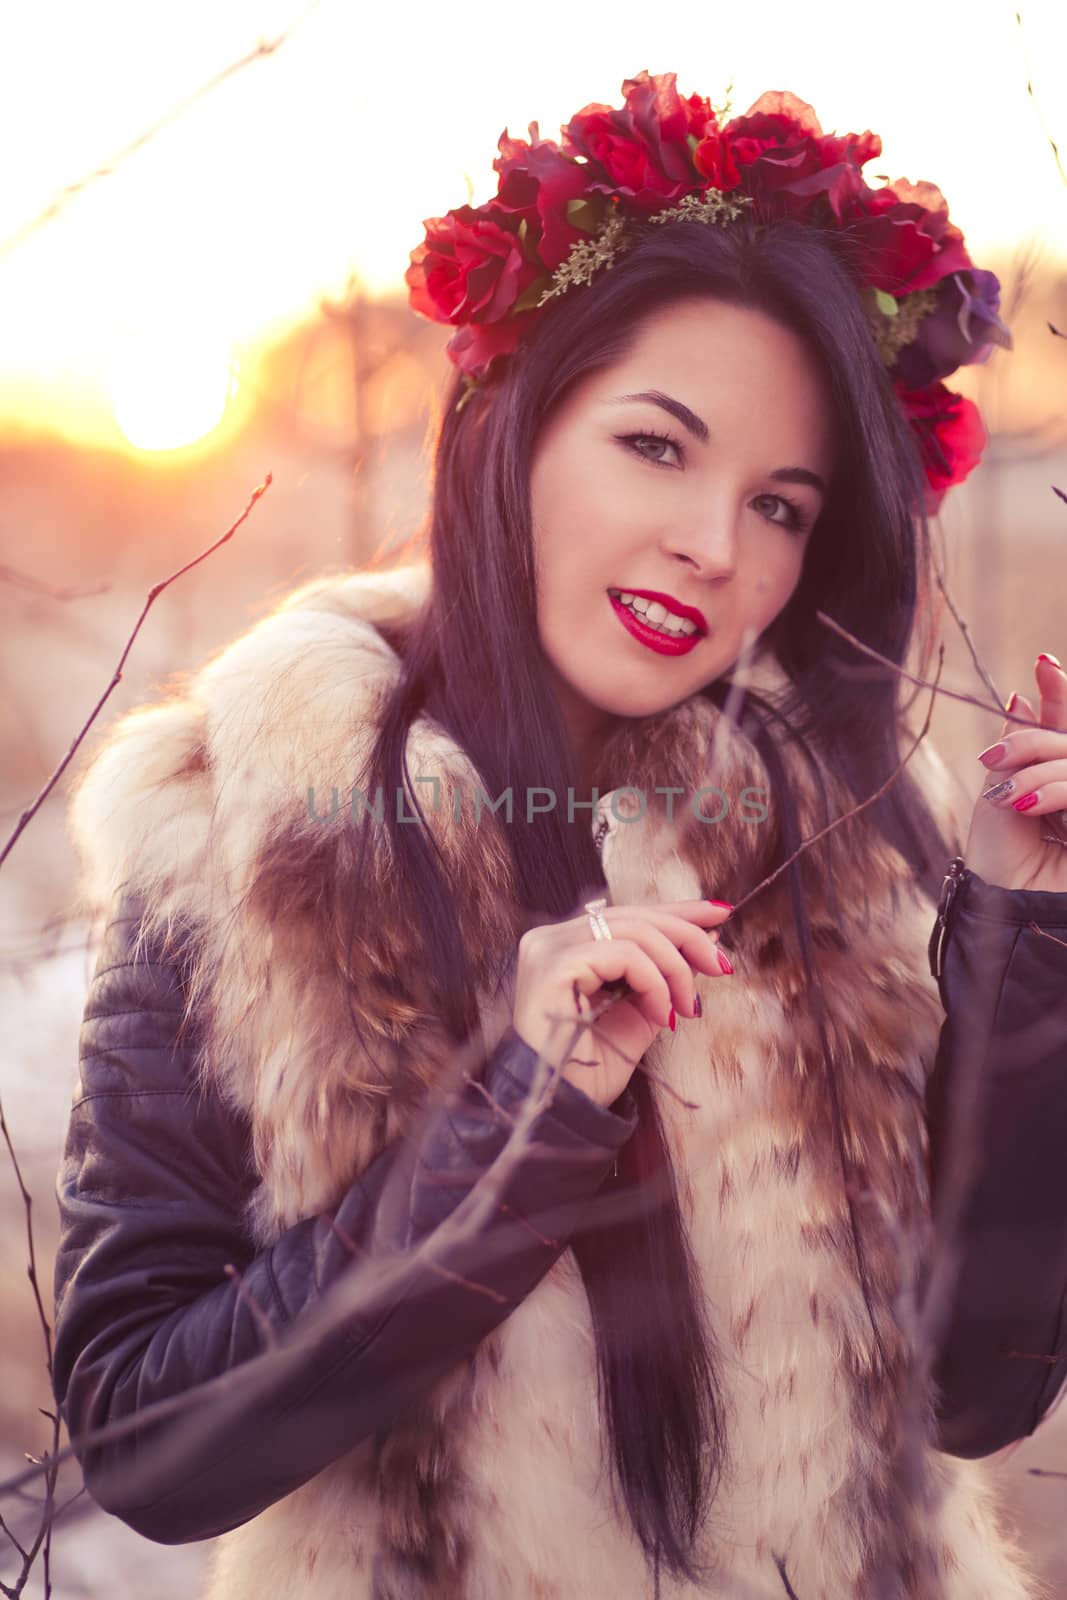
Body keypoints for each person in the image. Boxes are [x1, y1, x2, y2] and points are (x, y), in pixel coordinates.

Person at [52, 74, 1067, 1600]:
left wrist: (1026, 938)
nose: (714, 547)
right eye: (656, 447)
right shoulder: (250, 824)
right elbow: (148, 1442)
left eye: (783, 506)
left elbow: (978, 1398)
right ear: (513, 429)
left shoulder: (849, 828)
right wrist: (512, 1125)